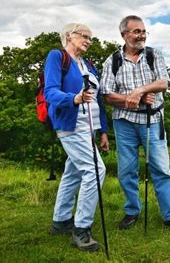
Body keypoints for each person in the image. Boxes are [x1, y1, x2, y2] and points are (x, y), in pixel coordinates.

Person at [100, 15, 170, 232]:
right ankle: (132, 211)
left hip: (152, 119)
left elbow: (162, 83)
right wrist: (134, 99)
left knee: (161, 168)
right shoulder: (112, 61)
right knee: (126, 170)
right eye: (136, 31)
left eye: (143, 31)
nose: (141, 35)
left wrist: (140, 91)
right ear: (124, 35)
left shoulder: (153, 55)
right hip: (124, 122)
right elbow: (106, 94)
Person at [46, 23, 109, 251]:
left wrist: (103, 130)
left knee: (73, 173)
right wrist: (74, 99)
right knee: (95, 170)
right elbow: (50, 92)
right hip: (70, 126)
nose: (88, 41)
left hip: (89, 128)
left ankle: (61, 221)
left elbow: (97, 99)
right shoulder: (57, 57)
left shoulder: (88, 65)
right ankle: (81, 230)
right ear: (69, 36)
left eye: (90, 38)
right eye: (84, 36)